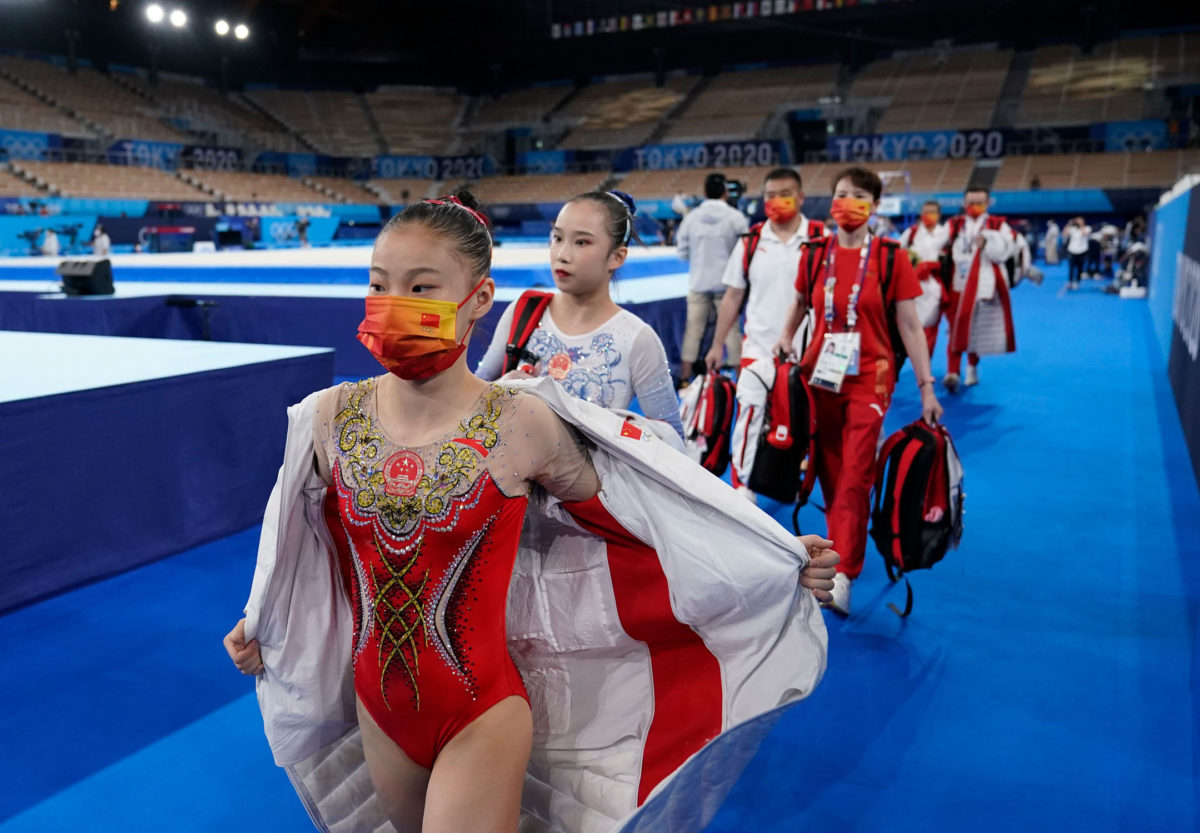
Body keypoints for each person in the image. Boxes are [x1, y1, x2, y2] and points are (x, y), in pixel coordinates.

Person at [224, 191, 839, 833]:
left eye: (421, 286)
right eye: (379, 284)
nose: (393, 304)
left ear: (479, 299)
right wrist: (262, 617)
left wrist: (770, 556)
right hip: (377, 709)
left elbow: (642, 507)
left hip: (480, 713)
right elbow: (299, 549)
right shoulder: (326, 418)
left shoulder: (523, 422)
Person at [772, 167, 942, 616]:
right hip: (819, 377)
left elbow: (910, 325)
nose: (848, 201)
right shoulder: (813, 255)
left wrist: (927, 387)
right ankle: (833, 553)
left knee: (855, 471)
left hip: (871, 377)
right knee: (830, 472)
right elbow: (801, 304)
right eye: (841, 194)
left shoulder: (891, 257)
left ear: (875, 205)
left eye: (859, 195)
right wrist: (787, 336)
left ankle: (843, 572)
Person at [476, 190, 684, 441]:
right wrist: (502, 389)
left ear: (617, 256)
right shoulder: (524, 311)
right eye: (557, 237)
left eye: (581, 242)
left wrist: (619, 431)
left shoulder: (637, 339)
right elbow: (470, 401)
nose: (562, 254)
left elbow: (673, 441)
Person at [704, 167, 826, 374]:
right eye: (771, 195)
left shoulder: (822, 239)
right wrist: (717, 345)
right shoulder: (749, 242)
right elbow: (732, 297)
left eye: (785, 194)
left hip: (809, 352)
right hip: (758, 353)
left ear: (801, 197)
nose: (777, 200)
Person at [940, 187, 1017, 391]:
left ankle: (972, 366)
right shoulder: (954, 224)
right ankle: (953, 372)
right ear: (963, 203)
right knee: (955, 328)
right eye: (970, 202)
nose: (974, 206)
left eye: (979, 202)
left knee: (975, 329)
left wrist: (988, 243)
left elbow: (1008, 249)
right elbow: (935, 245)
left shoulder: (998, 224)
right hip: (957, 284)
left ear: (988, 203)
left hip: (983, 285)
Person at [675, 172, 750, 379]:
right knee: (732, 332)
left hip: (698, 284)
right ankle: (741, 377)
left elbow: (681, 252)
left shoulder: (691, 218)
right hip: (728, 286)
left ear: (704, 192)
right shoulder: (736, 218)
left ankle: (683, 379)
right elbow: (745, 251)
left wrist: (699, 258)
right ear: (725, 193)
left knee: (693, 331)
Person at [899, 201, 951, 356]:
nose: (928, 215)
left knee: (931, 326)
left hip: (935, 286)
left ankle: (925, 364)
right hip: (911, 287)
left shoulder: (945, 234)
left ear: (939, 215)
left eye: (932, 212)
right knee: (909, 326)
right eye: (926, 211)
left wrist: (934, 266)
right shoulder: (912, 233)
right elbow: (898, 254)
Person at [1065, 216, 1090, 289]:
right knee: (1071, 267)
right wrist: (1069, 224)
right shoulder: (1072, 229)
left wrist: (1081, 224)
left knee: (1080, 267)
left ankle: (1077, 281)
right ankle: (1070, 281)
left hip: (1082, 250)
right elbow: (1064, 234)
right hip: (1072, 250)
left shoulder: (1087, 228)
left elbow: (1084, 233)